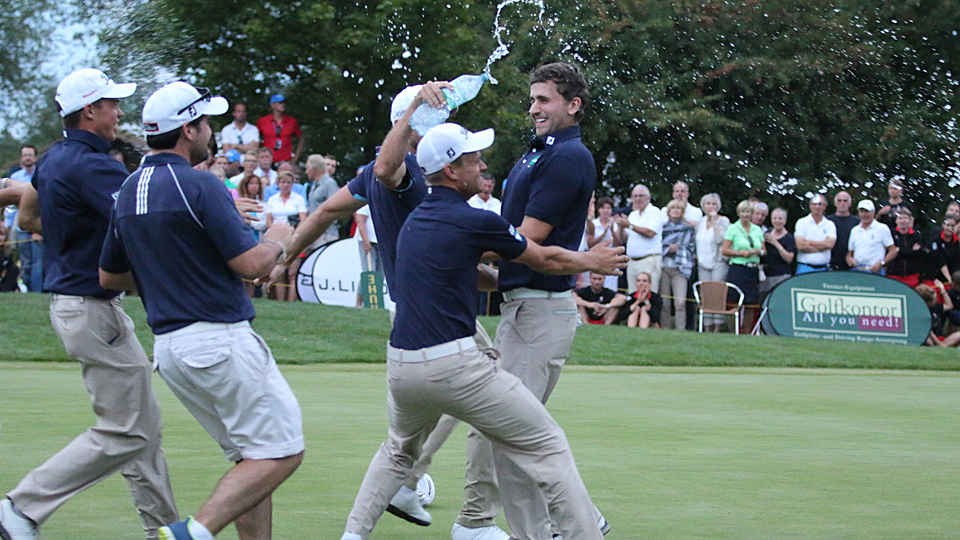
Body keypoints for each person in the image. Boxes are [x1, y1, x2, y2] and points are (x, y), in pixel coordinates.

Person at [339, 122, 623, 540]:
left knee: (398, 452)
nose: (483, 166)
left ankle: (352, 536)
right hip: (453, 367)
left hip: (401, 368)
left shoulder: (417, 219)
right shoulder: (473, 220)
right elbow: (543, 258)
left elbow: (473, 274)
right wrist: (591, 262)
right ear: (452, 171)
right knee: (547, 444)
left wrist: (505, 279)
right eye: (474, 159)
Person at [98, 81, 303, 540]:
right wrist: (278, 238)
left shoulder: (129, 188)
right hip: (218, 341)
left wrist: (171, 271)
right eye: (206, 122)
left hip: (170, 351)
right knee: (282, 452)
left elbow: (110, 277)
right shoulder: (200, 183)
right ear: (189, 130)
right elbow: (251, 265)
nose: (212, 130)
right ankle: (194, 532)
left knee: (252, 458)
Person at [0, 68, 179, 540]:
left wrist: (67, 238)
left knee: (144, 427)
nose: (119, 113)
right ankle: (20, 507)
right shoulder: (96, 166)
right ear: (90, 111)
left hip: (79, 307)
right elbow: (139, 220)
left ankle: (162, 529)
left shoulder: (54, 159)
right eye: (112, 105)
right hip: (93, 309)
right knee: (128, 430)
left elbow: (27, 215)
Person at [721, 200, 765, 333]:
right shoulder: (733, 228)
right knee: (735, 301)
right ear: (739, 213)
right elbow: (725, 250)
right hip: (738, 268)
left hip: (753, 269)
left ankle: (747, 332)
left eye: (748, 212)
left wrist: (758, 251)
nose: (746, 215)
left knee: (751, 303)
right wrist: (740, 253)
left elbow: (764, 250)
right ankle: (734, 331)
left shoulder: (757, 229)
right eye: (743, 212)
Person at [265, 171, 306, 302]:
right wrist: (275, 232)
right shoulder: (272, 199)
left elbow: (303, 219)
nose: (286, 185)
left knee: (293, 273)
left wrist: (294, 233)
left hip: (293, 236)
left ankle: (291, 300)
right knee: (279, 272)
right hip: (276, 238)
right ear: (278, 184)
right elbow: (268, 220)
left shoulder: (298, 199)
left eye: (289, 182)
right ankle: (280, 300)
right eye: (283, 182)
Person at [616, 184, 662, 292]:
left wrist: (629, 225)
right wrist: (621, 227)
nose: (637, 199)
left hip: (649, 259)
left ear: (648, 198)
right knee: (633, 295)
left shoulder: (654, 211)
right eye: (635, 196)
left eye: (641, 196)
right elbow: (623, 239)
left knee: (649, 295)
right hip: (632, 261)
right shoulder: (633, 215)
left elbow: (650, 233)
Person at [9, 145, 43, 292]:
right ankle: (27, 291)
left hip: (35, 226)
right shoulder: (15, 177)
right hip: (19, 227)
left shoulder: (40, 176)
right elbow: (10, 206)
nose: (27, 158)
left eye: (30, 155)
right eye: (25, 155)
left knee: (38, 263)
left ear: (35, 157)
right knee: (25, 263)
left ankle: (37, 292)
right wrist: (9, 225)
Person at [659, 199, 695, 329]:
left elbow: (691, 248)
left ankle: (681, 330)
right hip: (664, 267)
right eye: (673, 208)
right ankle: (665, 329)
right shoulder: (662, 227)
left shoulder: (688, 229)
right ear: (668, 211)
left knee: (680, 302)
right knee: (665, 303)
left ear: (682, 211)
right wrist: (668, 249)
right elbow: (657, 246)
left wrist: (679, 249)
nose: (675, 210)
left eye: (678, 208)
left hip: (680, 268)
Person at [847, 200, 896, 273]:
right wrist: (849, 260)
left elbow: (893, 250)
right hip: (857, 270)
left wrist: (881, 263)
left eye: (867, 211)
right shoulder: (854, 230)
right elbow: (850, 253)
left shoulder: (882, 228)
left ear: (873, 212)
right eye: (861, 211)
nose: (864, 214)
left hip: (875, 271)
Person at [760, 208, 797, 301]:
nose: (777, 221)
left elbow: (789, 258)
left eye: (780, 218)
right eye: (775, 218)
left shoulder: (789, 238)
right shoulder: (766, 234)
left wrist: (775, 243)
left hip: (781, 275)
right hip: (766, 276)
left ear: (785, 220)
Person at [303, 154, 340, 248]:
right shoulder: (314, 185)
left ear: (314, 169)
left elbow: (335, 208)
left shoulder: (329, 183)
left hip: (326, 234)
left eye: (307, 168)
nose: (306, 172)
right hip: (313, 232)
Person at [256, 93, 304, 164]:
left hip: (286, 160)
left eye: (284, 102)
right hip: (267, 161)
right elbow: (254, 138)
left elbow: (301, 138)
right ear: (273, 105)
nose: (283, 104)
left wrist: (296, 157)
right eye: (280, 103)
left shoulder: (291, 121)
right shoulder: (263, 121)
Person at [794, 194, 836, 274]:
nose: (817, 207)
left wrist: (808, 242)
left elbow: (830, 245)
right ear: (810, 206)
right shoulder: (801, 222)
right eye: (814, 204)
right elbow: (800, 246)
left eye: (820, 204)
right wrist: (823, 246)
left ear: (825, 206)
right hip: (804, 268)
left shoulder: (830, 225)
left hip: (824, 269)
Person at [588, 196, 621, 291]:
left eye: (608, 208)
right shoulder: (594, 223)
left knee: (610, 287)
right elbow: (590, 244)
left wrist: (611, 229)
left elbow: (618, 243)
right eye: (603, 208)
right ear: (599, 210)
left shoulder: (615, 224)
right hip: (595, 258)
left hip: (611, 259)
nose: (605, 211)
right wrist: (604, 233)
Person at [887, 207, 924, 287]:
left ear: (910, 221)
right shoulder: (891, 234)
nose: (903, 221)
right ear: (896, 221)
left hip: (911, 275)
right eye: (900, 218)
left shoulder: (916, 235)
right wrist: (910, 251)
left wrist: (899, 250)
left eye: (905, 218)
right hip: (894, 274)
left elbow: (918, 254)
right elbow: (891, 253)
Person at [924, 214, 960, 286]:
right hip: (934, 278)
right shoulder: (936, 240)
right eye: (947, 225)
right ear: (943, 225)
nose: (950, 228)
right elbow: (940, 262)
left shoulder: (956, 242)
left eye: (952, 226)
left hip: (951, 279)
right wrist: (950, 280)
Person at [827, 190, 859, 270]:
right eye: (839, 200)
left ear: (850, 203)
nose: (842, 203)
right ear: (835, 203)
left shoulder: (857, 222)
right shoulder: (827, 221)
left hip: (852, 264)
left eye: (845, 200)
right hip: (831, 264)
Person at [0, 224, 20, 292]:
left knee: (14, 269)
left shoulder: (7, 253)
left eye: (2, 234)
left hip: (4, 281)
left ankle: (8, 290)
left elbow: (10, 267)